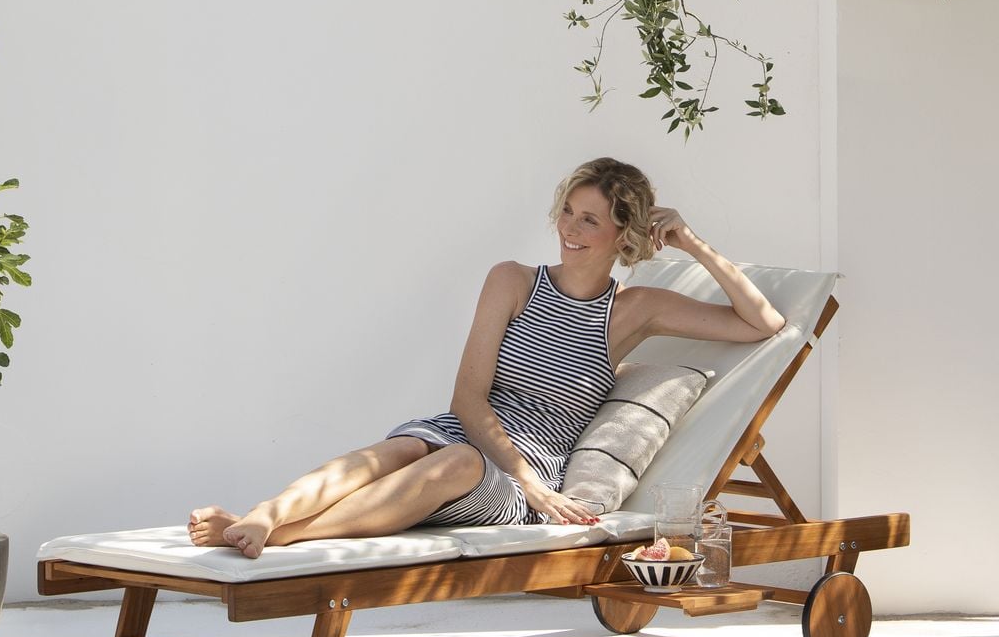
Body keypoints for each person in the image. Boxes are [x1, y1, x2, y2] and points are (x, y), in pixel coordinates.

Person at [188, 157, 785, 558]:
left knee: (454, 464)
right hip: (467, 434)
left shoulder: (635, 309)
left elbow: (762, 323)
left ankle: (281, 537)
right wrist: (515, 472)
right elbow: (467, 400)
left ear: (621, 234)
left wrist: (690, 241)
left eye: (590, 220)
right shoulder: (512, 280)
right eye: (567, 211)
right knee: (401, 448)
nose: (570, 228)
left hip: (530, 475)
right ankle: (264, 514)